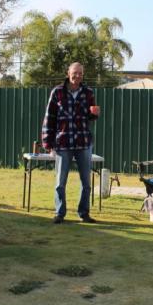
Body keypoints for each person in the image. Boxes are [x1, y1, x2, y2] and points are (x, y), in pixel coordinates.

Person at [41, 62, 100, 224]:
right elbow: (49, 118)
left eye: (80, 73)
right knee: (60, 182)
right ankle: (59, 213)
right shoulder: (57, 92)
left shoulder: (88, 93)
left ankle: (84, 213)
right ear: (68, 73)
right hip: (63, 142)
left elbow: (90, 117)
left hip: (83, 142)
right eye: (75, 73)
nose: (77, 76)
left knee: (86, 182)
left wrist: (94, 114)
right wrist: (47, 142)